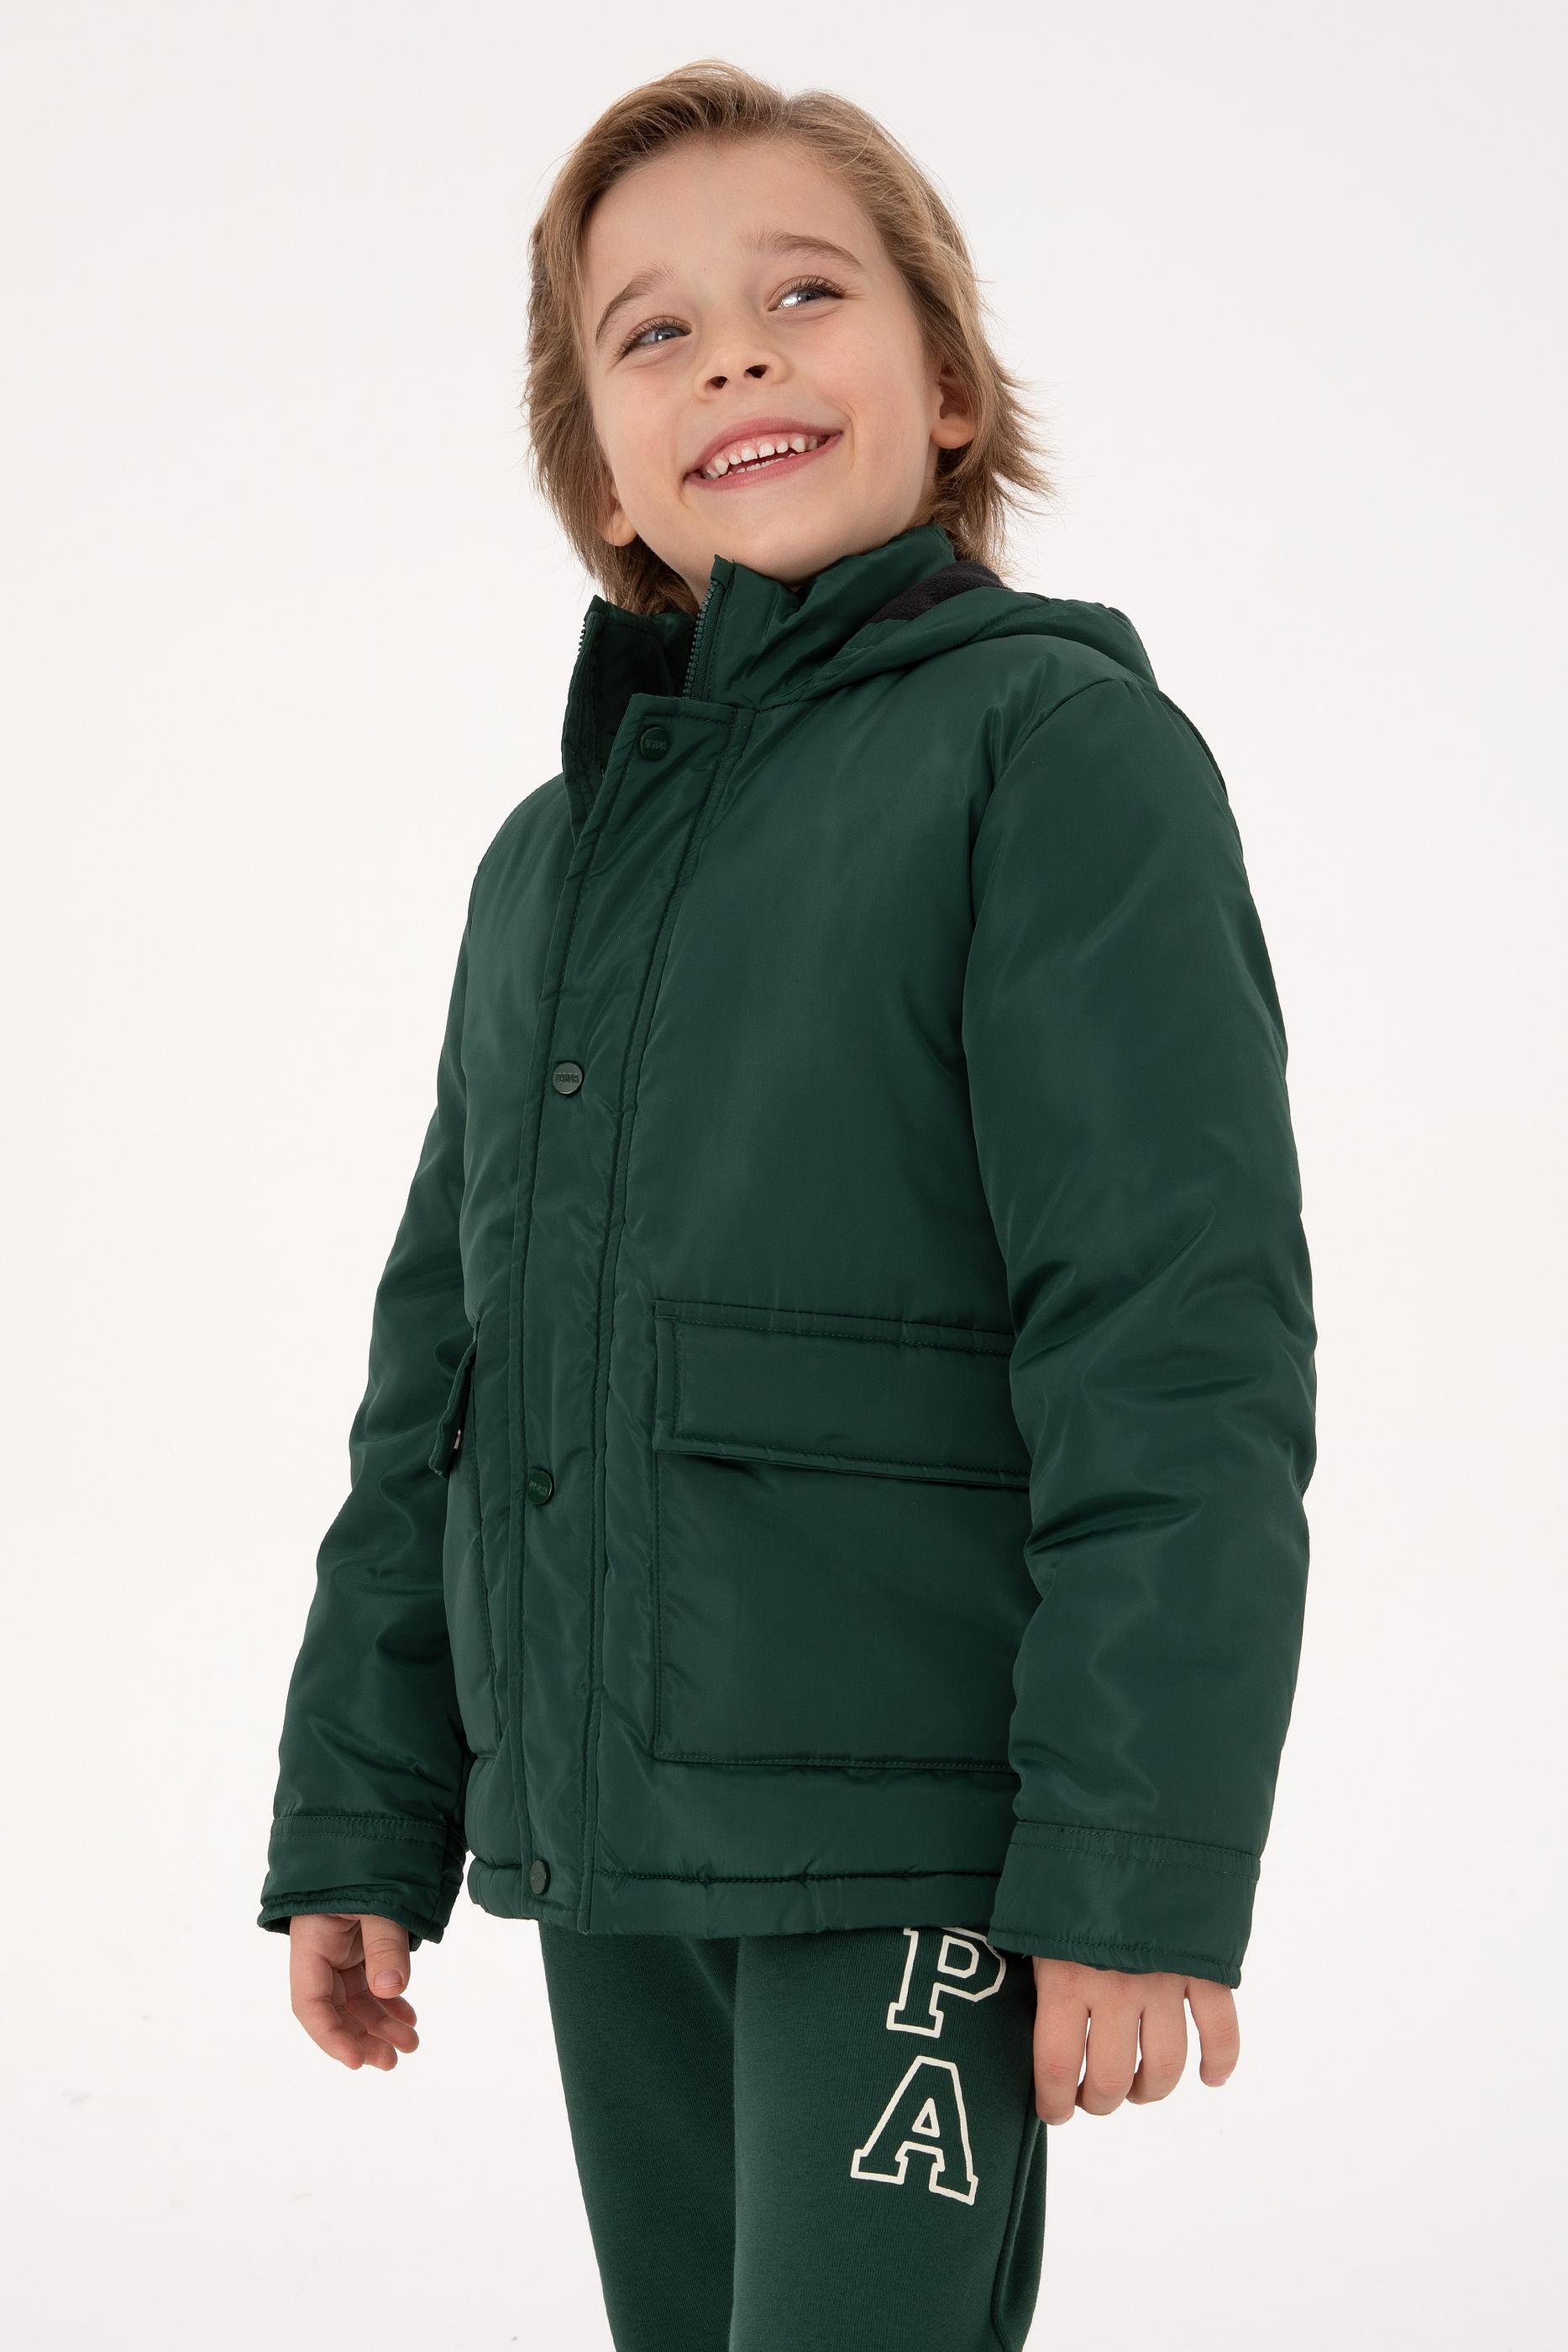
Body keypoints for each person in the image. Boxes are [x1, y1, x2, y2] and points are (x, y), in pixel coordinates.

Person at [256, 58, 1317, 2352]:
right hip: (614, 1841)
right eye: (654, 331)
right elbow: (443, 1380)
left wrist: (1131, 1866)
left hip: (915, 1844)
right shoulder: (546, 871)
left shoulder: (1052, 757)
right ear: (601, 469)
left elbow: (1171, 1336)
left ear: (949, 389)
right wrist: (364, 1807)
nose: (734, 355)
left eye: (805, 294)